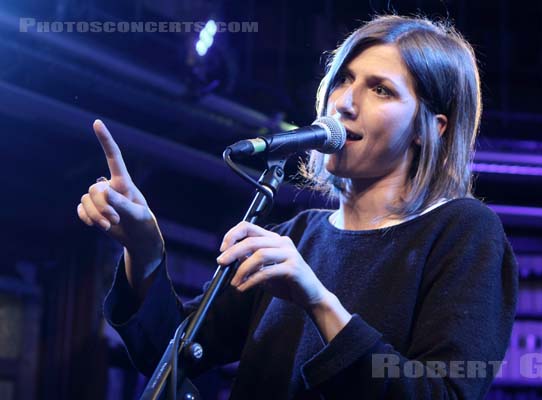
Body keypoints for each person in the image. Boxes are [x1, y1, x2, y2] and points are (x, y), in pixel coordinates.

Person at [77, 15, 518, 399]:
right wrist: (144, 247)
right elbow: (171, 354)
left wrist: (318, 302)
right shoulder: (294, 237)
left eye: (381, 90)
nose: (345, 102)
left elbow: (442, 392)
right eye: (344, 79)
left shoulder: (463, 232)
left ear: (431, 129)